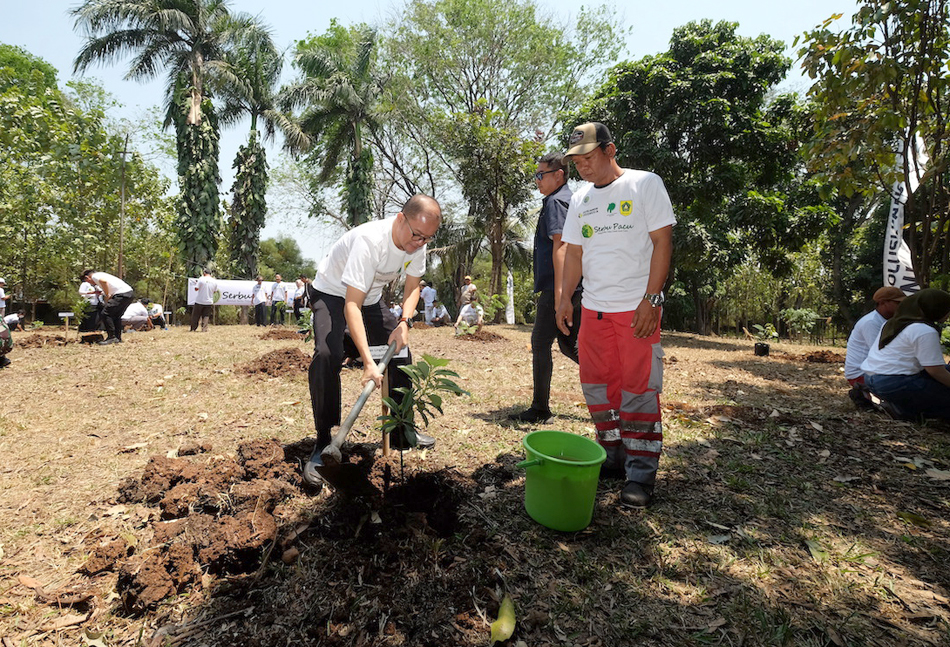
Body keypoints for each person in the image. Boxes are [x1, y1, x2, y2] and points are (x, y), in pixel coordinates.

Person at [555, 122, 676, 508]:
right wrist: (564, 299)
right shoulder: (580, 199)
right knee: (597, 384)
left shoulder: (645, 184)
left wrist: (651, 299)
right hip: (594, 310)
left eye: (589, 157)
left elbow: (662, 242)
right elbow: (573, 252)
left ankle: (641, 473)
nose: (583, 166)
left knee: (638, 387)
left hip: (635, 308)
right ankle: (612, 454)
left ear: (610, 150)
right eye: (577, 160)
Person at [306, 194, 442, 484]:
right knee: (327, 355)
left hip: (370, 298)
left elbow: (413, 287)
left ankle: (401, 429)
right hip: (332, 293)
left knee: (401, 353)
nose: (419, 243)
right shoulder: (369, 241)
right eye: (416, 235)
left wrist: (404, 322)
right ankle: (322, 441)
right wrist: (368, 361)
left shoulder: (418, 242)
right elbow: (351, 305)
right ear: (400, 218)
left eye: (427, 239)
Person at [509, 151, 581, 424]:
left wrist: (561, 295)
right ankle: (615, 389)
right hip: (565, 286)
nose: (537, 180)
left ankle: (540, 409)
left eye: (541, 175)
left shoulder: (556, 202)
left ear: (559, 175)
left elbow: (562, 248)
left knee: (540, 342)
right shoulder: (564, 200)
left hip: (559, 287)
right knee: (567, 344)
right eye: (535, 175)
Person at [861, 288, 950, 421]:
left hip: (871, 378)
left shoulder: (895, 322)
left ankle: (897, 403)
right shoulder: (924, 330)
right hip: (895, 382)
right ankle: (905, 410)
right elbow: (935, 371)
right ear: (936, 308)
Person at [844, 286, 906, 409]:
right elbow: (882, 353)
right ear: (882, 303)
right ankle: (864, 394)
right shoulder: (872, 322)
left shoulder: (884, 321)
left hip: (871, 371)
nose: (902, 307)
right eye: (898, 303)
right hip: (861, 374)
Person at [81, 269, 135, 345]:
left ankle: (112, 337)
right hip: (128, 293)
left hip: (121, 294)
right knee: (116, 316)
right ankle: (117, 337)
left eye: (88, 282)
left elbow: (103, 282)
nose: (91, 283)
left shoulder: (95, 276)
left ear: (87, 277)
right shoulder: (102, 274)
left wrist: (107, 295)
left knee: (106, 313)